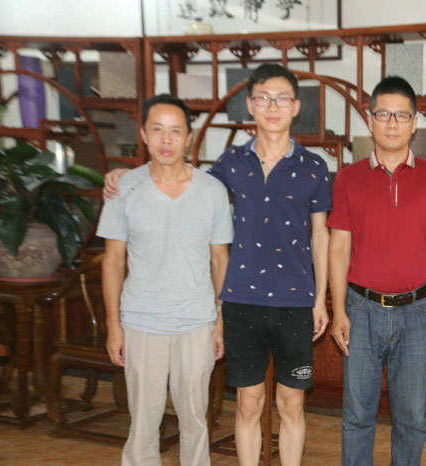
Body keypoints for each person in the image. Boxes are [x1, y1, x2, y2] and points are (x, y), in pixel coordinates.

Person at [103, 64, 331, 466]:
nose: (272, 107)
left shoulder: (314, 166)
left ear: (296, 106)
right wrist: (124, 174)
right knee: (247, 403)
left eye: (281, 99)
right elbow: (181, 176)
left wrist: (320, 298)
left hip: (295, 299)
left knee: (292, 404)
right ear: (250, 105)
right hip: (240, 300)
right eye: (263, 98)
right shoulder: (231, 163)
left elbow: (321, 235)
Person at [328, 76, 426, 466]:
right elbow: (339, 248)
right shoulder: (348, 178)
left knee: (411, 418)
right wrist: (339, 310)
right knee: (357, 415)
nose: (391, 123)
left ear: (414, 123)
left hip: (418, 311)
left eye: (401, 115)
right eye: (383, 114)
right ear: (370, 120)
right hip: (361, 310)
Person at [98, 93, 233, 466]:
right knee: (143, 424)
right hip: (142, 321)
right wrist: (113, 325)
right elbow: (113, 261)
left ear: (188, 138)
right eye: (157, 130)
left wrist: (221, 320)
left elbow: (220, 260)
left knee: (195, 421)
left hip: (197, 322)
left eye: (175, 131)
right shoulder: (124, 188)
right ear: (143, 134)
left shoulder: (212, 191)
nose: (166, 140)